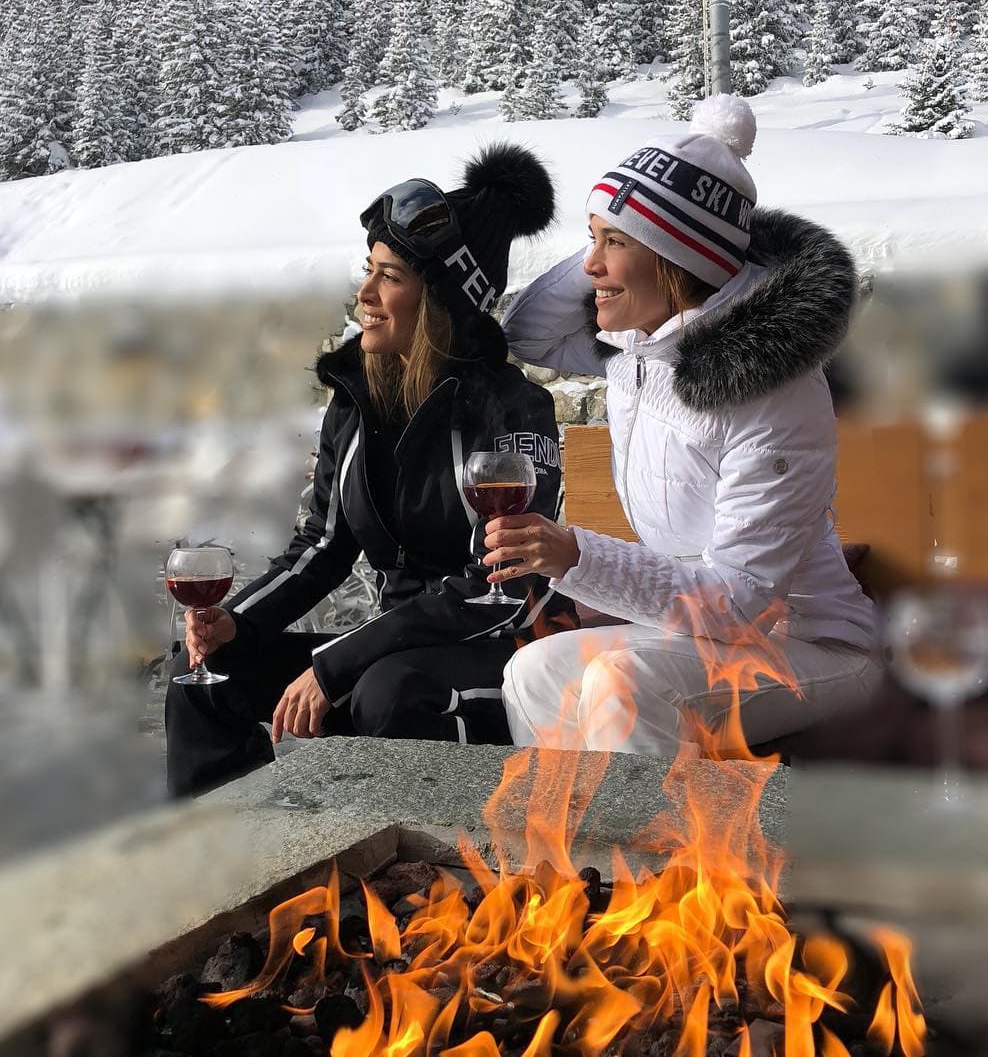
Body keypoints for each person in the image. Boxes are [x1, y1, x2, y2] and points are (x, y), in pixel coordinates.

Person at [166, 144, 570, 797]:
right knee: (202, 675)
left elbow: (496, 589)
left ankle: (441, 850)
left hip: (506, 651)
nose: (365, 294)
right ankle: (226, 850)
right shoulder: (359, 399)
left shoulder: (513, 410)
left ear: (442, 299)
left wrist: (336, 665)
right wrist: (236, 622)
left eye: (391, 276)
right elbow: (323, 546)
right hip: (390, 647)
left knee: (389, 690)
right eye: (368, 270)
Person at [491, 95, 881, 757]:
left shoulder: (775, 391)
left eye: (614, 244)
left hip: (816, 643)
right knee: (536, 671)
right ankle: (577, 828)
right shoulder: (639, 352)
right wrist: (617, 230)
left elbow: (742, 602)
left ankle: (657, 831)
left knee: (624, 680)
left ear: (677, 261)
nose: (589, 266)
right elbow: (528, 331)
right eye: (591, 239)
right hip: (701, 634)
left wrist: (579, 556)